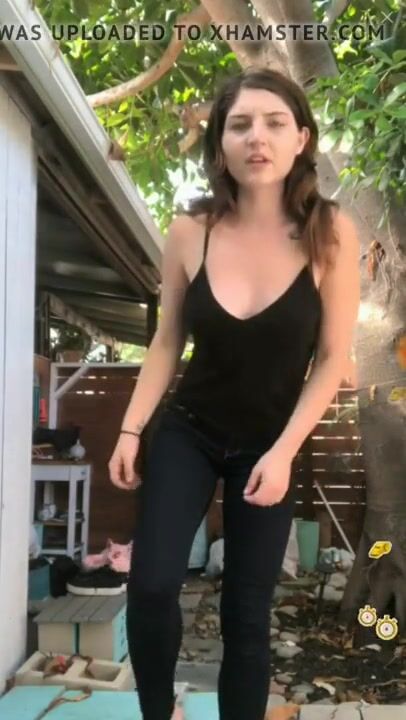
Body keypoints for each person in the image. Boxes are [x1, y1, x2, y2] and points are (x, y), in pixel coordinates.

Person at [108, 66, 360, 720]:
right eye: (240, 124)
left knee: (246, 613)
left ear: (301, 138)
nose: (257, 137)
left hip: (270, 443)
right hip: (189, 431)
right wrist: (132, 428)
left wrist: (284, 452)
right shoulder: (190, 228)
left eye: (275, 123)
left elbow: (332, 360)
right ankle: (159, 711)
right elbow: (167, 339)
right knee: (152, 587)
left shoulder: (330, 232)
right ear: (220, 142)